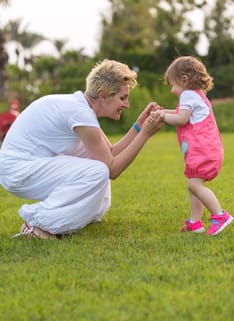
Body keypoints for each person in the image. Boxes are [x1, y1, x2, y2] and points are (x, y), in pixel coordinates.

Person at [0, 59, 163, 240]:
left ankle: (67, 220)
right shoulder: (80, 112)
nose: (127, 105)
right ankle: (37, 223)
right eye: (122, 98)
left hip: (27, 165)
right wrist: (145, 134)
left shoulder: (82, 108)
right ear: (102, 95)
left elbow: (109, 153)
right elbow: (112, 169)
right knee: (99, 170)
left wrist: (138, 126)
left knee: (98, 167)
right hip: (17, 170)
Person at [153, 55, 233, 236]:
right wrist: (163, 111)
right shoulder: (197, 96)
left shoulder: (188, 94)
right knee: (194, 184)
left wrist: (163, 117)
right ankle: (195, 223)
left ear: (184, 80)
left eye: (172, 84)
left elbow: (181, 119)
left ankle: (220, 215)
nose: (172, 90)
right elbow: (180, 112)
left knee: (194, 185)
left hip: (203, 151)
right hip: (205, 150)